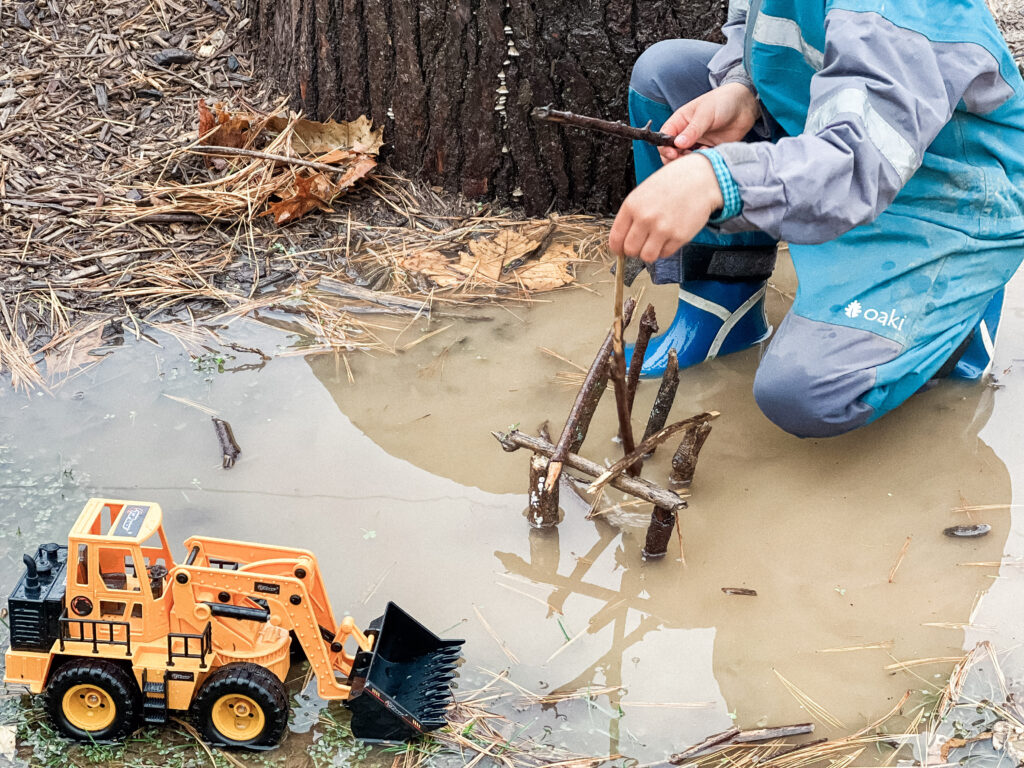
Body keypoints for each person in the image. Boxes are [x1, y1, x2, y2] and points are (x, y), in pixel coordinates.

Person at [613, 0, 1024, 438]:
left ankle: (954, 318)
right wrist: (743, 90)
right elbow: (754, 22)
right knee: (667, 74)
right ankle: (719, 308)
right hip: (835, 141)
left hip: (946, 199)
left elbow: (858, 163)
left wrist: (722, 179)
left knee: (806, 392)